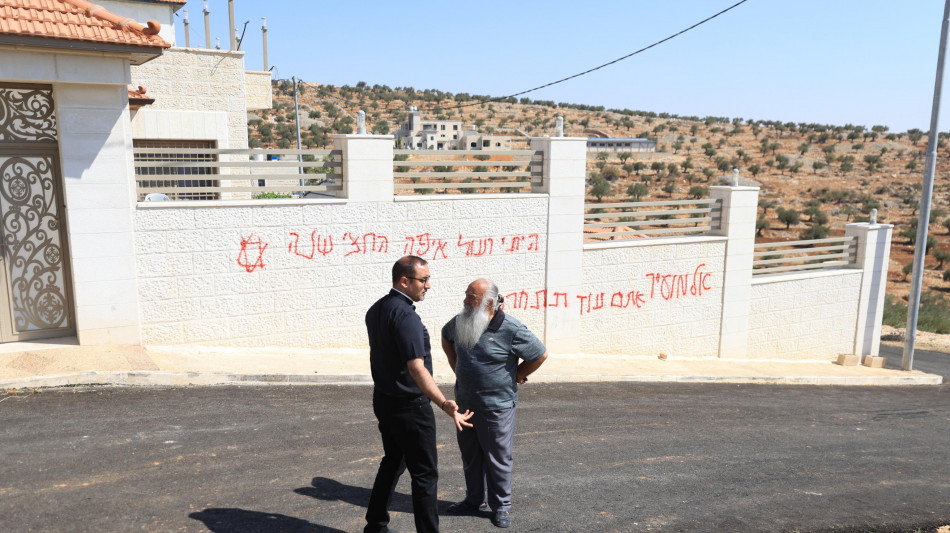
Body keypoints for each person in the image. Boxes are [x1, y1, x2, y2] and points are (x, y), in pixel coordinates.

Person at [364, 256, 474, 533]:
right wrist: (444, 402)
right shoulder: (405, 316)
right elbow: (416, 367)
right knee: (425, 475)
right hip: (410, 408)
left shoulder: (376, 309)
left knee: (392, 462)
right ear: (405, 281)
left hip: (385, 401)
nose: (428, 285)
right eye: (423, 280)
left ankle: (375, 526)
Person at [441, 279, 548, 529]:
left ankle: (501, 507)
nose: (466, 301)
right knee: (471, 456)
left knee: (497, 458)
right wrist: (455, 364)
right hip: (465, 404)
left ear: (489, 302)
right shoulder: (460, 321)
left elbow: (540, 354)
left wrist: (518, 374)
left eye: (472, 297)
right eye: (466, 295)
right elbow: (446, 338)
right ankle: (473, 499)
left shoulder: (510, 328)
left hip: (496, 406)